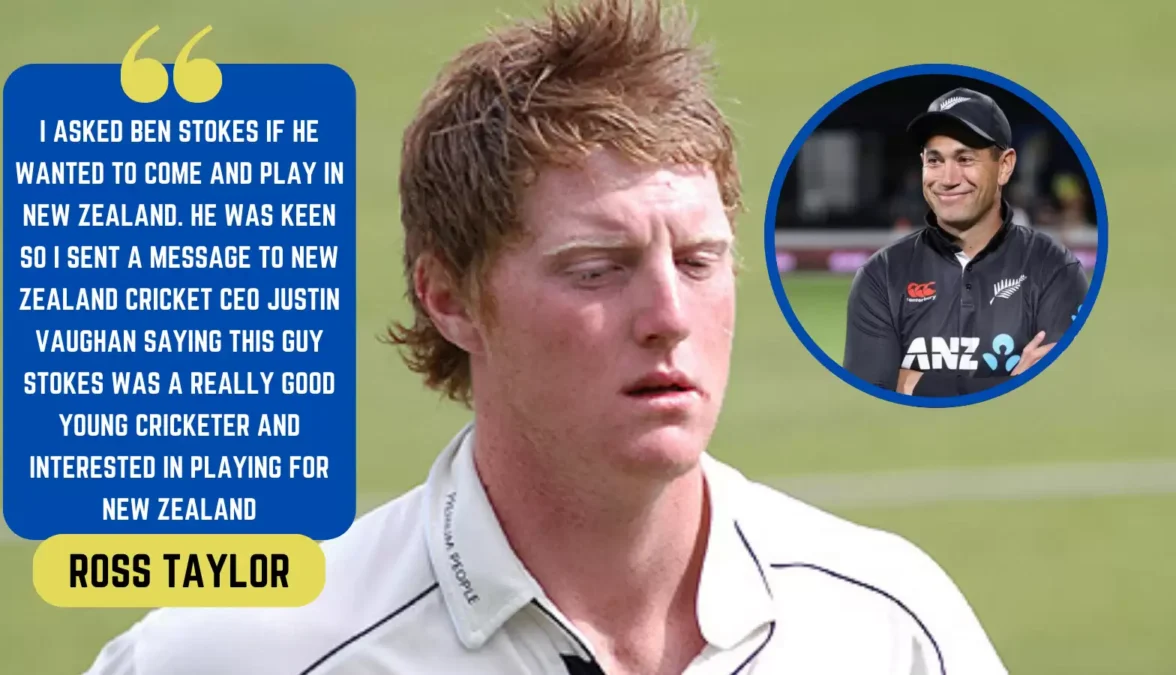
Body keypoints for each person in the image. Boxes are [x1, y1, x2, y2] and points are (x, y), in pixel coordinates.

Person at [83, 2, 1008, 673]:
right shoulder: (237, 654)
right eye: (596, 268)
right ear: (449, 297)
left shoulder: (887, 624)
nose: (667, 314)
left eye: (698, 260)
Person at [843, 86, 1089, 397]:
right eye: (935, 160)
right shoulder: (881, 275)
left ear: (1004, 166)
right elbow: (869, 398)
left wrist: (909, 383)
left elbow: (1057, 397)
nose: (947, 179)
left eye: (965, 159)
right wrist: (1011, 383)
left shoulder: (1054, 269)